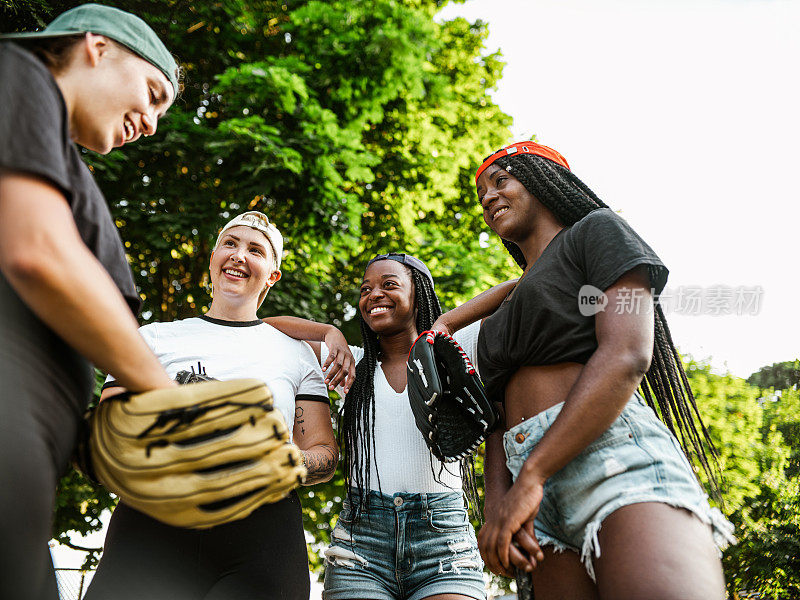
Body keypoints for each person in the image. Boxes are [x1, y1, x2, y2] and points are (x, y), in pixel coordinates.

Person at [464, 141, 735, 599]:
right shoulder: (503, 308)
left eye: (501, 181)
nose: (488, 198)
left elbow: (626, 355)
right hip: (531, 501)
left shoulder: (596, 231)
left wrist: (532, 476)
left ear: (545, 180)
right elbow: (493, 414)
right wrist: (497, 508)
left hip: (610, 458)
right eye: (481, 195)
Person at [0, 5, 179, 599]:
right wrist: (169, 401)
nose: (152, 123)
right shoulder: (20, 74)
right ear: (96, 47)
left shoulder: (55, 150)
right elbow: (39, 252)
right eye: (152, 93)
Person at [82, 211, 338, 600]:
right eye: (230, 244)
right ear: (213, 258)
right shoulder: (153, 338)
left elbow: (324, 454)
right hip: (153, 523)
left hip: (261, 535)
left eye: (255, 249)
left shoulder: (297, 353)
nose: (239, 254)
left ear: (271, 275)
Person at [269, 252, 515, 600]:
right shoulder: (351, 366)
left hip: (443, 540)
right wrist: (329, 332)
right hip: (361, 544)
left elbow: (517, 289)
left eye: (389, 285)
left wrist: (444, 325)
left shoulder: (455, 354)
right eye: (365, 289)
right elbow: (264, 326)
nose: (374, 295)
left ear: (419, 294)